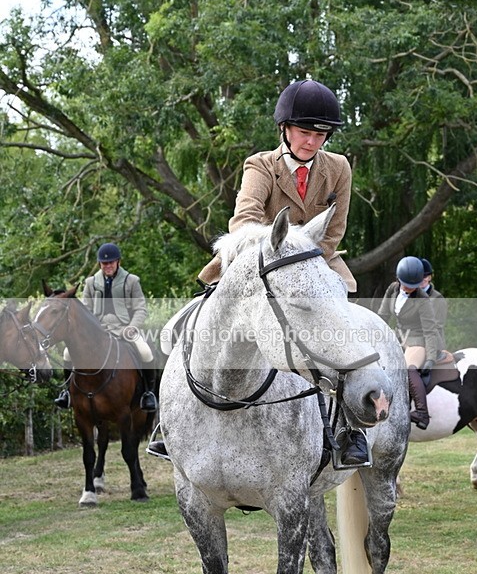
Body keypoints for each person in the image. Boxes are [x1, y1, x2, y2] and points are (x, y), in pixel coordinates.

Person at [152, 79, 369, 467]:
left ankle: (350, 429)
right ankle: (169, 422)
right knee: (182, 327)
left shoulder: (338, 168)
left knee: (342, 333)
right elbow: (245, 219)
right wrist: (276, 254)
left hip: (316, 264)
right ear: (285, 129)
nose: (312, 142)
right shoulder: (260, 165)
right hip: (254, 265)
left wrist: (303, 268)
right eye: (305, 133)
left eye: (321, 134)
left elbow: (333, 232)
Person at [54, 242, 158, 413]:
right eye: (104, 263)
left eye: (110, 262)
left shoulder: (131, 281)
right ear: (99, 263)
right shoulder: (90, 283)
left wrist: (132, 326)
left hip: (125, 329)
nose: (107, 266)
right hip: (98, 331)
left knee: (145, 351)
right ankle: (67, 393)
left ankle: (149, 393)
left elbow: (140, 309)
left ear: (118, 262)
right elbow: (85, 310)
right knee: (67, 353)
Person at [377, 256, 444, 429]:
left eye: (413, 285)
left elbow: (430, 330)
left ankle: (422, 413)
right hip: (399, 337)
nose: (409, 289)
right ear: (398, 279)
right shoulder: (392, 289)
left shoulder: (422, 298)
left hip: (418, 339)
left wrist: (430, 357)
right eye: (406, 284)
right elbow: (383, 316)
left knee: (408, 369)